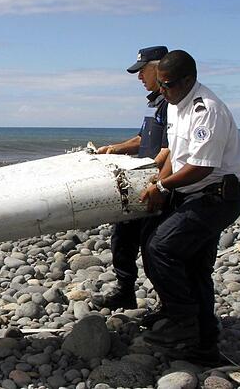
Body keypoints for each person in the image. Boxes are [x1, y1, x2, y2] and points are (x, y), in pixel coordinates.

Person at [139, 50, 240, 363]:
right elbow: (175, 152)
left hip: (217, 197)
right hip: (193, 193)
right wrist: (161, 185)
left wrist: (161, 186)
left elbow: (201, 166)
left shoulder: (207, 110)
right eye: (160, 84)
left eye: (168, 85)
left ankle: (182, 321)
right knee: (192, 266)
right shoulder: (175, 103)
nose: (162, 91)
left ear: (189, 80)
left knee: (161, 248)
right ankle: (204, 345)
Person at [91, 46, 170, 311]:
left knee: (153, 247)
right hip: (141, 181)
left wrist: (156, 183)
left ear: (159, 68)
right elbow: (141, 140)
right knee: (122, 237)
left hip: (157, 185)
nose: (139, 78)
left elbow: (170, 150)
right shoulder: (153, 103)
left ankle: (167, 304)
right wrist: (112, 149)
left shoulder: (172, 104)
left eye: (142, 71)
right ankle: (125, 290)